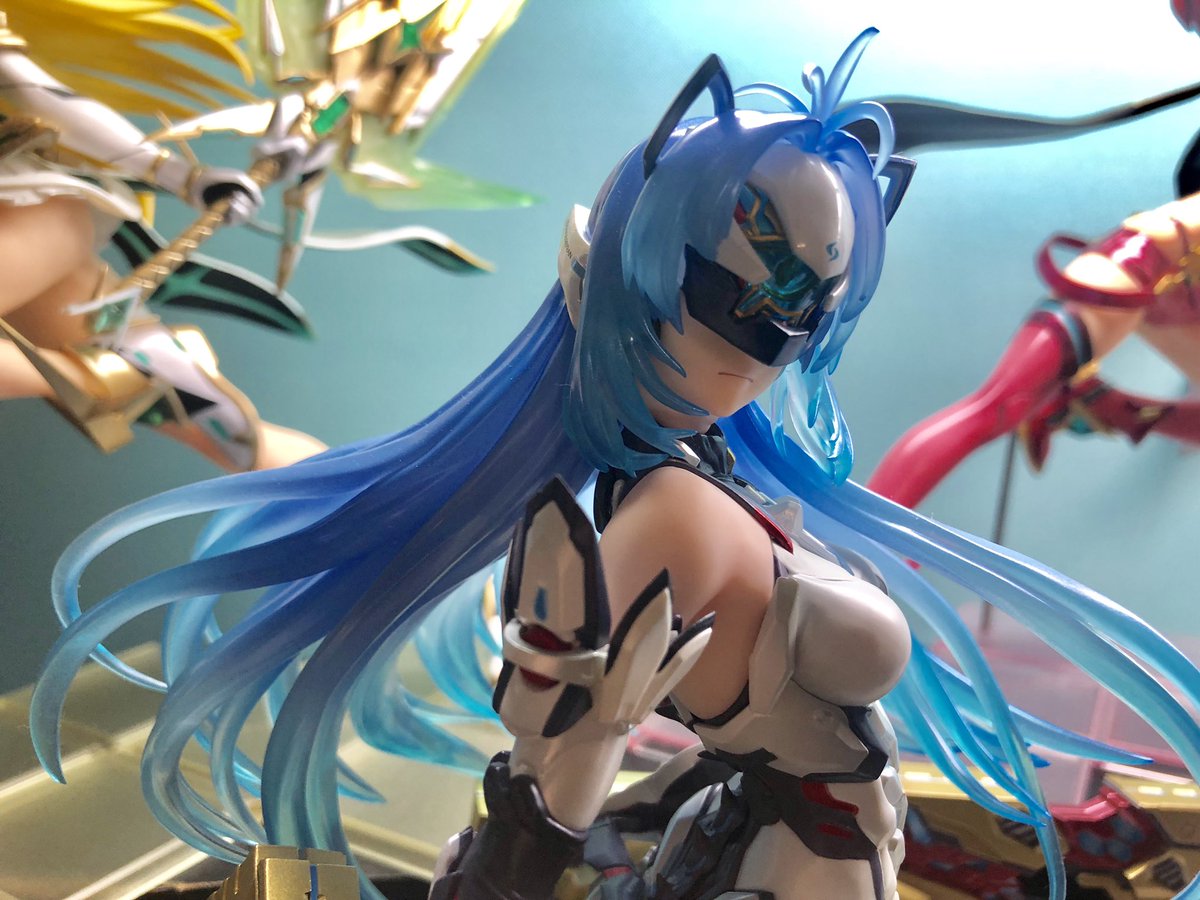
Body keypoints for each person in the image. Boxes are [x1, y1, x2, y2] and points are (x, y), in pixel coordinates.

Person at [29, 30, 1200, 900]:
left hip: (779, 836)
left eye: (806, 313)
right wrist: (570, 802)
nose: (768, 343)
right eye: (741, 300)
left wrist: (641, 800)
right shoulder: (662, 518)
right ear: (620, 276)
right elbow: (551, 782)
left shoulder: (708, 472)